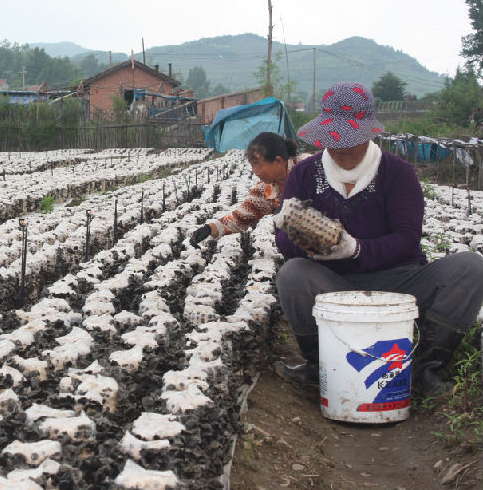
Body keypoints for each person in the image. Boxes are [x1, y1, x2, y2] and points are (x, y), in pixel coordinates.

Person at [273, 82, 483, 396]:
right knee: (292, 275)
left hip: (399, 282)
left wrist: (355, 249)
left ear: (369, 135)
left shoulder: (397, 173)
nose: (342, 151)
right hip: (335, 283)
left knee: (470, 267)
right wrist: (313, 249)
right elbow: (283, 239)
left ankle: (424, 370)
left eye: (351, 143)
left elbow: (407, 239)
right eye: (335, 143)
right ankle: (321, 368)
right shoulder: (304, 174)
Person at [188, 132, 312, 246]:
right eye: (252, 166)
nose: (255, 172)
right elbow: (240, 218)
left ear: (277, 161)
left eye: (258, 165)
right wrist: (209, 228)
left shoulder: (308, 168)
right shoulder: (266, 190)